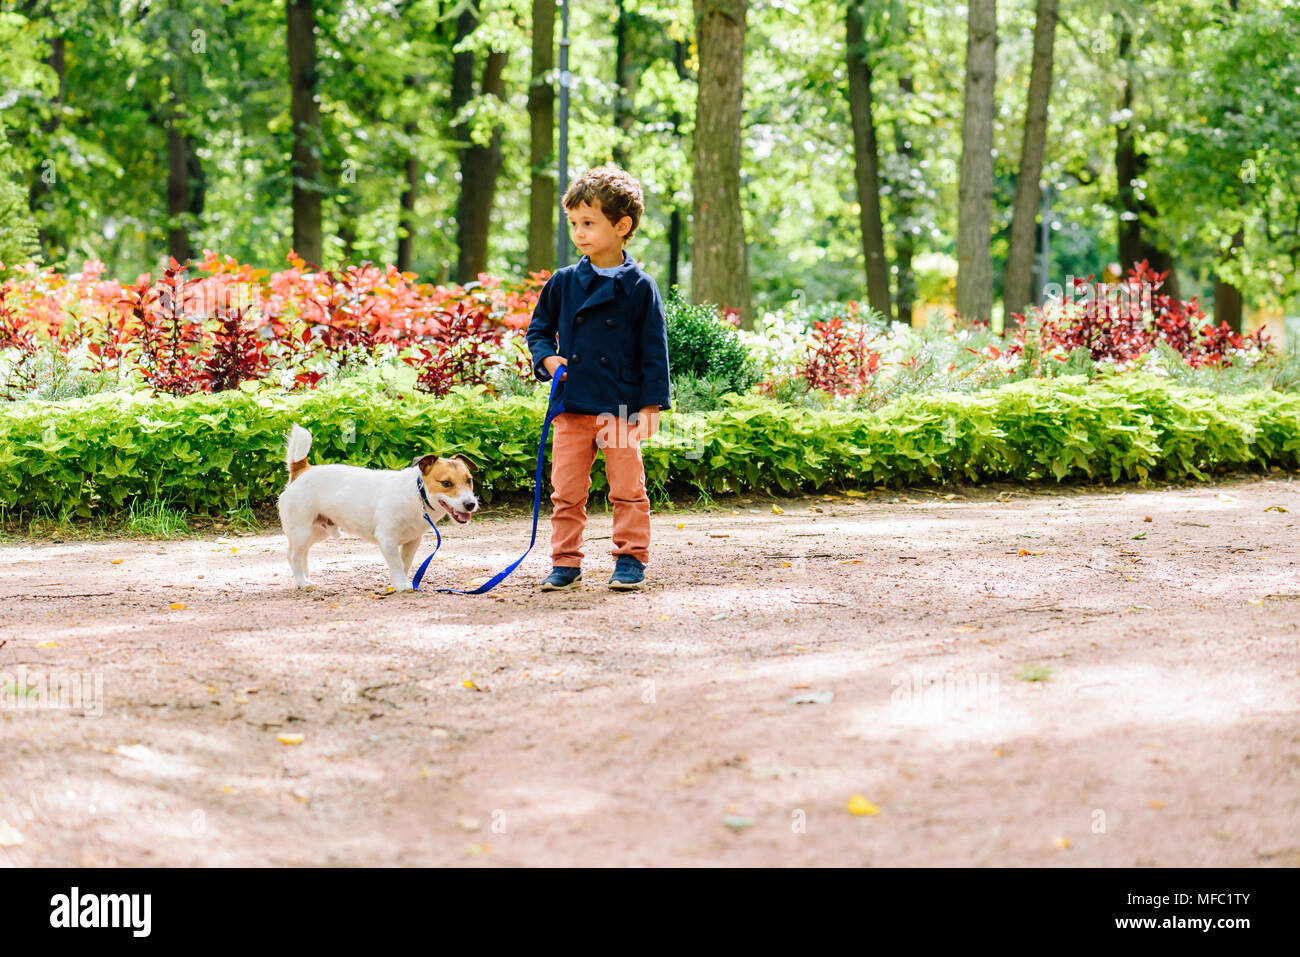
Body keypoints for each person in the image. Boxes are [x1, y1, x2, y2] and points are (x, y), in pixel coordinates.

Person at [526, 166, 671, 592]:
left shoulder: (641, 287)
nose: (579, 233)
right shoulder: (564, 282)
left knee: (627, 488)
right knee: (566, 491)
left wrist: (650, 407)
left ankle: (630, 558)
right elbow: (537, 331)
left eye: (589, 223)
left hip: (622, 406)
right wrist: (548, 360)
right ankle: (565, 562)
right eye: (574, 224)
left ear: (621, 226)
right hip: (572, 405)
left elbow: (654, 351)